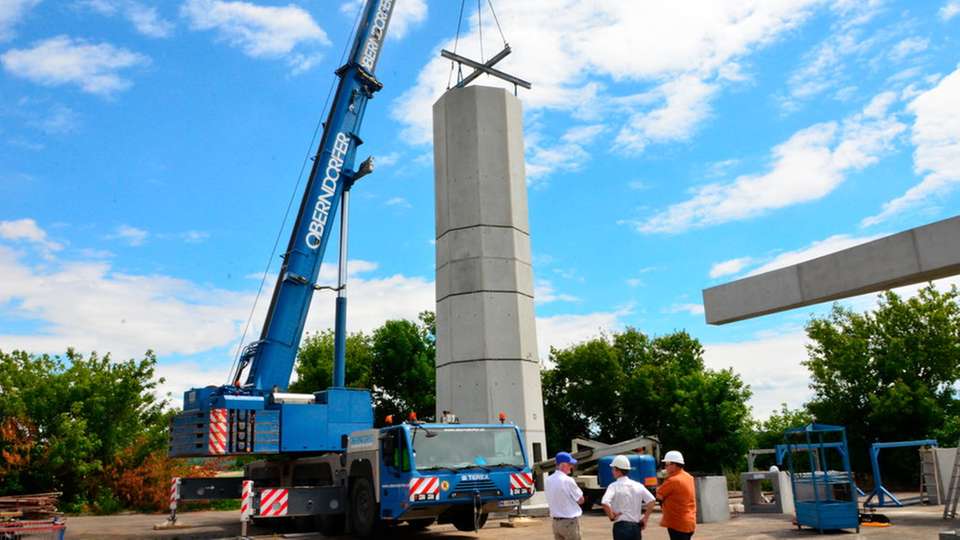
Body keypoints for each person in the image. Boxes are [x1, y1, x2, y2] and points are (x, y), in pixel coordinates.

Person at [601, 455, 655, 540]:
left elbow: (605, 502)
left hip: (621, 527)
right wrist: (645, 518)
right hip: (636, 527)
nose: (612, 471)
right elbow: (651, 500)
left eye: (613, 469)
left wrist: (611, 516)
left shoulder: (613, 486)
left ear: (618, 470)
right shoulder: (638, 485)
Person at [545, 451, 584, 540]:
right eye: (569, 464)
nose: (571, 466)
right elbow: (580, 500)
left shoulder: (548, 480)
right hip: (569, 522)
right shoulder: (568, 480)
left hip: (556, 523)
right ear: (562, 465)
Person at [658, 450, 696, 540]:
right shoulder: (689, 477)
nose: (665, 467)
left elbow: (659, 495)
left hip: (677, 523)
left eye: (667, 464)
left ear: (674, 465)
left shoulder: (673, 480)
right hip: (689, 522)